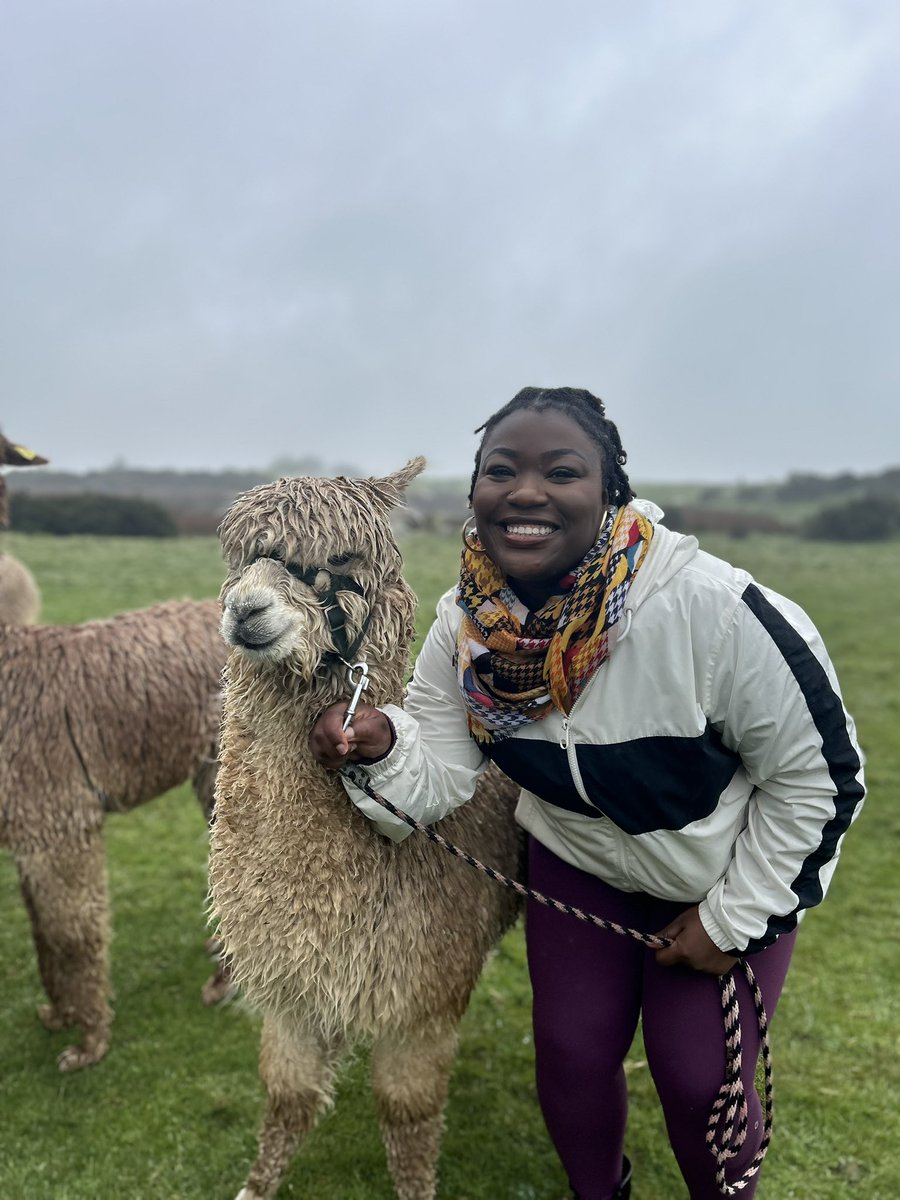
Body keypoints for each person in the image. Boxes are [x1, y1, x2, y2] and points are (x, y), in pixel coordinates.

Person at [310, 386, 865, 1200]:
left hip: (719, 878)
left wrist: (731, 921)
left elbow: (820, 779)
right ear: (475, 494)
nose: (526, 491)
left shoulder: (716, 613)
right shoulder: (466, 633)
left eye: (561, 471)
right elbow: (435, 780)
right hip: (578, 870)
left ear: (611, 491)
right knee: (570, 1060)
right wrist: (384, 744)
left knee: (697, 1079)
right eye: (501, 471)